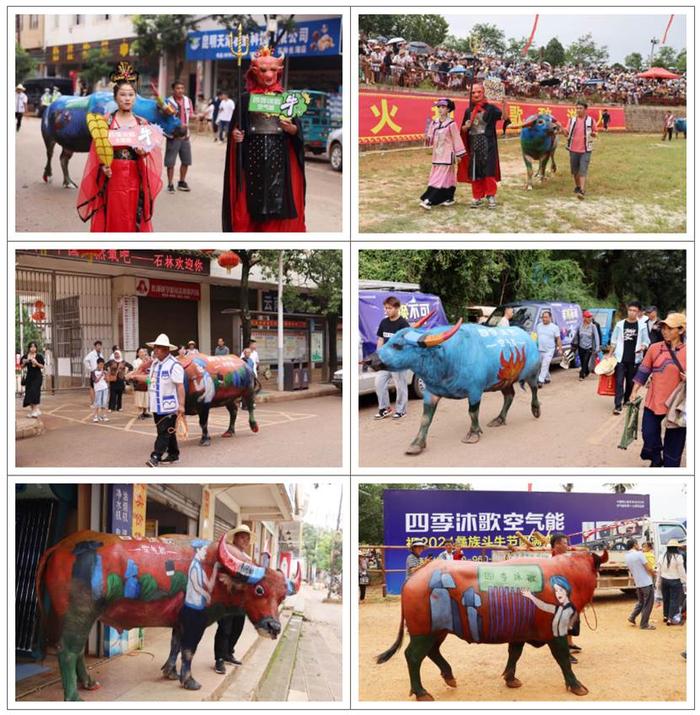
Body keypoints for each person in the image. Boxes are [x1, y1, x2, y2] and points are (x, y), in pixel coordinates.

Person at [222, 47, 306, 232]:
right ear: (254, 72)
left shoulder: (287, 99)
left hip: (279, 159)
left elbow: (298, 134)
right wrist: (236, 136)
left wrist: (291, 129)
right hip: (252, 158)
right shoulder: (245, 99)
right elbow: (237, 130)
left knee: (277, 201)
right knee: (249, 203)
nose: (269, 75)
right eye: (263, 70)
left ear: (279, 71)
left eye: (273, 70)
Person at [77, 62, 163, 232]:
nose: (127, 98)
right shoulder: (105, 123)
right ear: (115, 97)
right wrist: (103, 167)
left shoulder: (142, 123)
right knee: (113, 213)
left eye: (131, 94)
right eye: (123, 94)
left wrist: (142, 153)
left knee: (132, 214)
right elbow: (97, 152)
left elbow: (149, 153)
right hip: (112, 177)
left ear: (135, 97)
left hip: (134, 177)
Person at [630, 313, 686, 467]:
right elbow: (643, 371)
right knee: (648, 433)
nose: (665, 331)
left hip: (677, 404)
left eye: (670, 328)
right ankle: (656, 457)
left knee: (674, 442)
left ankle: (669, 467)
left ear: (681, 330)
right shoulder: (655, 348)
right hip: (654, 400)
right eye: (663, 327)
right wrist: (634, 391)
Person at [128, 333, 185, 467]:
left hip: (169, 406)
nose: (155, 350)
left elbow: (180, 385)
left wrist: (181, 405)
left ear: (166, 350)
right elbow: (150, 380)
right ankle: (174, 454)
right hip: (156, 405)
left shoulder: (174, 365)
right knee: (167, 431)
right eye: (155, 347)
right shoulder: (155, 364)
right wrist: (135, 377)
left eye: (158, 348)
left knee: (164, 432)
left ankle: (155, 456)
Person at [179, 540, 220, 690]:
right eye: (203, 550)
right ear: (197, 550)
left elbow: (209, 585)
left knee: (193, 642)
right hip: (191, 609)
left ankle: (185, 673)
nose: (205, 552)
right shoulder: (194, 567)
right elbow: (197, 586)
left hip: (199, 609)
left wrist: (215, 568)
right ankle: (186, 675)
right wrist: (205, 595)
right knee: (189, 644)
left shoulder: (201, 568)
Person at [457, 83, 503, 209]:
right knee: (474, 172)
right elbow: (463, 130)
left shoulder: (491, 109)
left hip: (489, 145)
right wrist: (466, 127)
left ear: (483, 93)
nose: (476, 95)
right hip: (474, 146)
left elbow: (504, 117)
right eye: (473, 93)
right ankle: (477, 197)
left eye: (479, 92)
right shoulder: (468, 111)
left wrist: (504, 104)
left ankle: (491, 195)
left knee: (489, 171)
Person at [214, 525, 252, 674]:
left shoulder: (247, 559)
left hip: (241, 600)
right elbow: (220, 573)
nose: (245, 541)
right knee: (225, 629)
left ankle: (229, 653)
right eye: (243, 537)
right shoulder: (226, 552)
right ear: (235, 538)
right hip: (226, 599)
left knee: (238, 627)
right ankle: (219, 659)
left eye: (247, 539)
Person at [420, 98, 466, 210]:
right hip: (437, 155)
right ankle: (449, 197)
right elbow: (430, 139)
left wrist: (459, 154)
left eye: (443, 107)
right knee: (448, 178)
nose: (440, 109)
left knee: (438, 178)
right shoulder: (434, 123)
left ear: (448, 109)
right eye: (439, 107)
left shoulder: (451, 124)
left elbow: (456, 139)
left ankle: (430, 199)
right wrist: (426, 138)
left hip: (447, 155)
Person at [609, 301, 649, 415]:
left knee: (631, 382)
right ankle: (617, 405)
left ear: (638, 312)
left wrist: (643, 347)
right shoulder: (620, 324)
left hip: (634, 359)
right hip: (620, 358)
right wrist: (609, 355)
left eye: (634, 311)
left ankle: (626, 400)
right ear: (627, 311)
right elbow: (614, 340)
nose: (631, 312)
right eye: (630, 310)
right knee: (619, 382)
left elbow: (646, 341)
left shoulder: (642, 326)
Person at [374, 296, 410, 419]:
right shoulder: (384, 322)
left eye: (389, 308)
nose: (386, 310)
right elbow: (380, 339)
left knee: (400, 386)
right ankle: (385, 408)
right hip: (385, 361)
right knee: (379, 383)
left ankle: (401, 410)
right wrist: (378, 355)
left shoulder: (403, 324)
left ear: (397, 308)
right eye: (385, 308)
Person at [550, 533, 580, 660]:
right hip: (560, 597)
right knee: (563, 623)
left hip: (569, 595)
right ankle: (564, 652)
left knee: (572, 621)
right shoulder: (553, 560)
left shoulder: (565, 558)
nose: (567, 545)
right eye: (565, 543)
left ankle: (569, 643)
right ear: (557, 544)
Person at [165, 80, 194, 193]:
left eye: (182, 88)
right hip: (173, 135)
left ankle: (182, 182)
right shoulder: (168, 101)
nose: (180, 90)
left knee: (186, 161)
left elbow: (191, 114)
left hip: (185, 135)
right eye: (178, 88)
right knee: (170, 162)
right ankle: (170, 184)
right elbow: (164, 117)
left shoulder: (188, 101)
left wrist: (199, 116)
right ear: (173, 90)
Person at [566, 100, 597, 200]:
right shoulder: (571, 120)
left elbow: (595, 132)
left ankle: (582, 190)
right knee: (575, 171)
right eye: (577, 108)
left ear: (585, 109)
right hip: (573, 149)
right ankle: (578, 186)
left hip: (585, 149)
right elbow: (566, 132)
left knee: (583, 169)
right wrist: (562, 131)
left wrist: (594, 134)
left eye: (580, 108)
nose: (578, 110)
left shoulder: (591, 121)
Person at [625, 539, 655, 630]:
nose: (639, 546)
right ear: (634, 545)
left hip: (638, 583)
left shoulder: (627, 556)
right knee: (648, 604)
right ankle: (644, 624)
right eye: (637, 544)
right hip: (646, 582)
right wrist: (654, 573)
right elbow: (648, 567)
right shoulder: (639, 554)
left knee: (641, 602)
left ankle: (632, 616)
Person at [656, 539, 686, 625]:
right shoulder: (678, 557)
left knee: (666, 599)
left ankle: (665, 616)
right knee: (674, 600)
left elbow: (659, 571)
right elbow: (682, 571)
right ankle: (671, 618)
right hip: (675, 581)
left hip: (664, 580)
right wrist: (685, 581)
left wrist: (657, 583)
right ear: (676, 547)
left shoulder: (662, 556)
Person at [572, 310, 601, 381]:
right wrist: (573, 345)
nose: (590, 318)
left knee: (586, 360)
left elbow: (597, 337)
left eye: (591, 317)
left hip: (589, 347)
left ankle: (581, 375)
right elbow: (576, 336)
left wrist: (597, 347)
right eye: (588, 317)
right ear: (584, 318)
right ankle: (586, 371)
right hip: (581, 347)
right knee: (582, 361)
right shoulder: (580, 326)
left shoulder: (593, 326)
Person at [536, 310, 562, 387]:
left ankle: (540, 380)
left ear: (550, 318)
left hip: (549, 350)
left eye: (546, 317)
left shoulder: (554, 327)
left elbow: (558, 339)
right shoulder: (539, 326)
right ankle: (547, 378)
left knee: (545, 364)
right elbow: (536, 336)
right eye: (543, 317)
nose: (544, 319)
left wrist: (560, 349)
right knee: (541, 365)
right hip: (540, 349)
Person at [20, 342, 45, 418]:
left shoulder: (39, 356)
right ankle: (34, 410)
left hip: (37, 377)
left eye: (34, 347)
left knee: (34, 392)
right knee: (28, 393)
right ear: (29, 348)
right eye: (31, 347)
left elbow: (42, 366)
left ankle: (34, 411)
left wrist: (36, 363)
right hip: (29, 377)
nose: (33, 348)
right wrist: (25, 362)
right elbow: (21, 367)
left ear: (36, 348)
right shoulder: (25, 356)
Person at [131, 347, 151, 419]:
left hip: (146, 381)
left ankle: (145, 412)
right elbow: (137, 370)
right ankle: (140, 413)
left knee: (146, 396)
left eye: (143, 352)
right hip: (139, 381)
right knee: (140, 397)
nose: (142, 353)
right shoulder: (136, 361)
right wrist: (143, 363)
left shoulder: (147, 360)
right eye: (141, 352)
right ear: (137, 353)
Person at [84, 340, 104, 405]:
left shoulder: (101, 354)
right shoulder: (92, 354)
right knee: (92, 387)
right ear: (95, 347)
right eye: (97, 346)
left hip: (100, 372)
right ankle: (92, 402)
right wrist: (90, 368)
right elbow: (85, 360)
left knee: (99, 387)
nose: (99, 347)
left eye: (100, 345)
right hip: (94, 372)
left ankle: (98, 401)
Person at [91, 357, 110, 423]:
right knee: (97, 403)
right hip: (98, 389)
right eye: (100, 364)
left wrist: (106, 375)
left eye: (103, 364)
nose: (102, 366)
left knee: (104, 402)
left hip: (104, 388)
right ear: (97, 364)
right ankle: (95, 416)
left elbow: (107, 380)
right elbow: (96, 381)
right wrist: (101, 374)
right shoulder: (93, 372)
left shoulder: (104, 371)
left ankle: (104, 416)